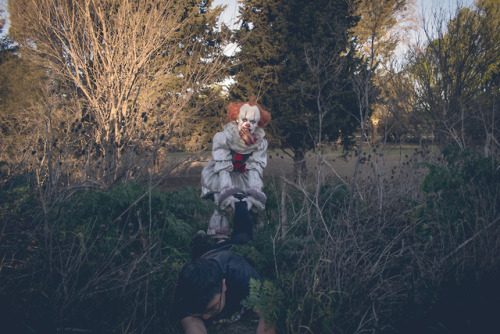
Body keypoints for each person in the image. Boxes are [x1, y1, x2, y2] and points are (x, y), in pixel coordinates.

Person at [174, 195, 276, 334]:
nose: (206, 317)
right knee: (198, 250)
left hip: (232, 249)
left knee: (244, 236)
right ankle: (199, 239)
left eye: (212, 309)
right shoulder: (186, 290)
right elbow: (191, 323)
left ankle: (240, 203)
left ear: (223, 285)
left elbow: (267, 313)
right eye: (200, 313)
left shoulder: (240, 272)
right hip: (205, 256)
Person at [201, 98, 271, 239]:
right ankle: (219, 237)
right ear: (237, 119)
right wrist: (227, 193)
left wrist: (254, 195)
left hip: (243, 175)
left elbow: (255, 168)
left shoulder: (260, 144)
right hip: (221, 174)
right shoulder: (223, 138)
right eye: (244, 119)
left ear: (258, 124)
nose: (248, 124)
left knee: (249, 205)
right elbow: (223, 167)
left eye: (253, 121)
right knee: (220, 202)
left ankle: (252, 238)